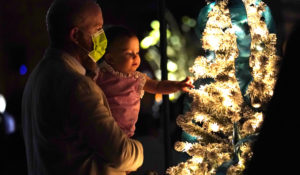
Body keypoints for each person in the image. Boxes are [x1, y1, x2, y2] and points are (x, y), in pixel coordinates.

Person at [21, 0, 143, 175]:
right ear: (76, 35)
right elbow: (121, 154)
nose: (102, 37)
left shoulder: (38, 76)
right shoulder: (77, 85)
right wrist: (139, 149)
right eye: (97, 29)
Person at [95, 26, 194, 137]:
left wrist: (177, 85)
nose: (135, 57)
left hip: (126, 134)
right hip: (101, 130)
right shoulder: (99, 75)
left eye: (137, 52)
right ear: (110, 58)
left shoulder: (137, 78)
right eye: (128, 53)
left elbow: (158, 86)